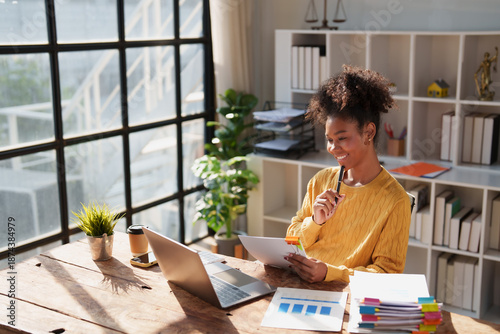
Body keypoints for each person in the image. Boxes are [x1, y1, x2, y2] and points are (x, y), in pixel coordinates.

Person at [285, 65, 411, 283]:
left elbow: (388, 275)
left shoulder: (395, 200)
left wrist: (329, 273)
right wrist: (315, 221)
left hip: (344, 297)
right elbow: (291, 240)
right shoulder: (321, 180)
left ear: (368, 133)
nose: (333, 148)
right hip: (298, 284)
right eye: (330, 140)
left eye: (342, 138)